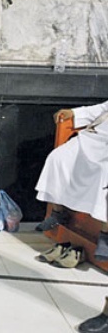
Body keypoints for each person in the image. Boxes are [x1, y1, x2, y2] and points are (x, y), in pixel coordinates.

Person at [34, 100, 108, 262]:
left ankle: (105, 235)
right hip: (94, 139)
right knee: (58, 158)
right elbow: (103, 108)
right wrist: (75, 113)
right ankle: (58, 213)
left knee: (105, 173)